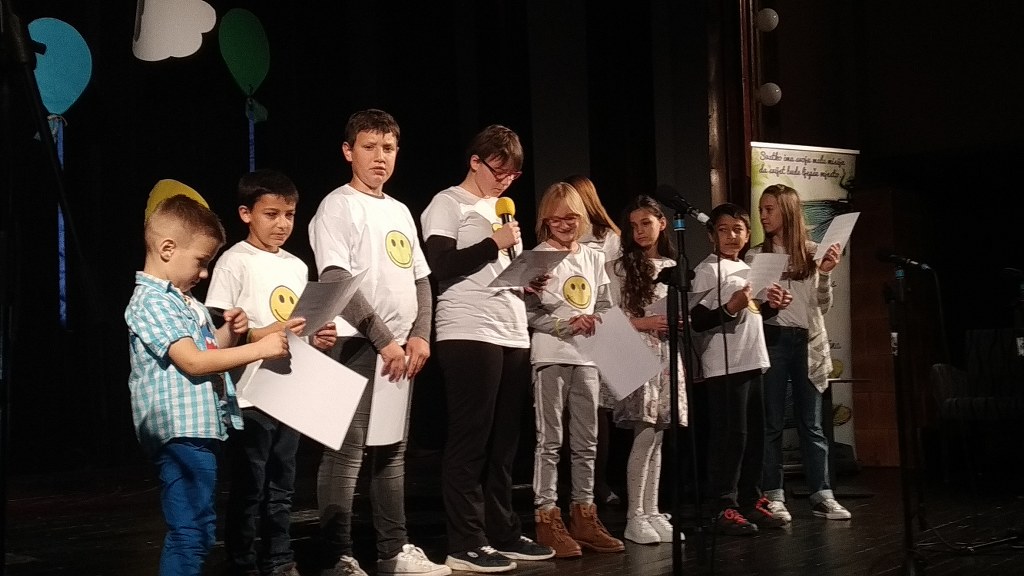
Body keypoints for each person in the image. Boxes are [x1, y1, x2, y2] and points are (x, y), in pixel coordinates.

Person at [308, 109, 450, 576]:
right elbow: (337, 278)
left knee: (391, 451)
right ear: (348, 152)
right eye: (369, 147)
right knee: (345, 452)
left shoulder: (400, 210)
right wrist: (384, 339)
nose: (379, 157)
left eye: (388, 148)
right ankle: (337, 556)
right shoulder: (338, 206)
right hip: (357, 344)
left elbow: (421, 278)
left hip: (400, 350)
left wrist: (421, 335)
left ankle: (393, 550)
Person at [125, 193, 290, 576]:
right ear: (168, 249)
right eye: (201, 262)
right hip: (180, 431)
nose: (203, 274)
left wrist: (230, 332)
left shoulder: (184, 302)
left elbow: (208, 350)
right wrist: (259, 349)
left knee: (198, 528)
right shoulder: (151, 301)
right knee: (191, 533)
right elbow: (193, 361)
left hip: (199, 429)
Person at [420, 124, 555, 573]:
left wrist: (527, 279)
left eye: (513, 175)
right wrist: (492, 244)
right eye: (498, 171)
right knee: (471, 438)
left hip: (512, 329)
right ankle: (465, 540)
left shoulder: (502, 213)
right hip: (468, 329)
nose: (505, 181)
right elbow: (440, 264)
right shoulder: (448, 202)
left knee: (505, 442)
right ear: (475, 161)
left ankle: (502, 531)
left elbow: (496, 270)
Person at [205, 169, 338, 576]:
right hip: (250, 393)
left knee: (283, 484)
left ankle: (280, 558)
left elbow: (299, 327)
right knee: (251, 485)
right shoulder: (234, 262)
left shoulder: (296, 266)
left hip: (288, 388)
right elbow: (222, 333)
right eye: (271, 214)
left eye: (290, 215)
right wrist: (271, 331)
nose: (282, 224)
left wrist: (316, 336)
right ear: (246, 214)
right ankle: (243, 562)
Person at [525, 182, 623, 558]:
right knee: (550, 441)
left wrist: (595, 319)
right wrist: (565, 325)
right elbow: (529, 312)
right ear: (545, 221)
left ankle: (584, 515)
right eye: (557, 219)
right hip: (551, 355)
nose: (565, 225)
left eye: (572, 218)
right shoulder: (537, 257)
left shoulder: (593, 256)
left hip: (587, 358)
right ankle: (547, 517)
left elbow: (605, 303)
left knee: (587, 442)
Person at [689, 202, 791, 536]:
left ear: (748, 235)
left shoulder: (748, 268)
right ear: (711, 235)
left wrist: (772, 306)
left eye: (738, 230)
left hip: (753, 360)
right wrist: (730, 307)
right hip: (725, 365)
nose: (731, 236)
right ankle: (722, 506)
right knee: (730, 438)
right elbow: (697, 320)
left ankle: (749, 500)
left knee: (754, 438)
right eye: (723, 230)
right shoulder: (707, 270)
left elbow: (753, 313)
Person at [750, 184, 851, 522]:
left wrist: (824, 273)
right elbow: (752, 307)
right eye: (761, 209)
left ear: (788, 211)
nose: (763, 216)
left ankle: (822, 494)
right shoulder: (756, 255)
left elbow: (823, 305)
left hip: (807, 341)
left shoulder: (812, 252)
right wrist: (767, 301)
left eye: (769, 209)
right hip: (773, 340)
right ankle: (773, 494)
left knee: (813, 423)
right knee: (772, 423)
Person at [606, 195, 688, 545]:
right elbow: (607, 315)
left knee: (658, 435)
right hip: (635, 348)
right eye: (634, 226)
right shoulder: (620, 267)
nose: (639, 231)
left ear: (662, 223)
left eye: (646, 223)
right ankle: (634, 515)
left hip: (666, 351)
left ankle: (652, 509)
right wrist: (643, 322)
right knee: (643, 432)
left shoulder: (672, 264)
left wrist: (678, 320)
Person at [563, 174, 622, 508]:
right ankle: (574, 484)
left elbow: (612, 287)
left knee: (600, 410)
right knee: (570, 410)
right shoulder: (558, 235)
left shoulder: (607, 237)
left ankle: (599, 482)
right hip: (567, 325)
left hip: (601, 326)